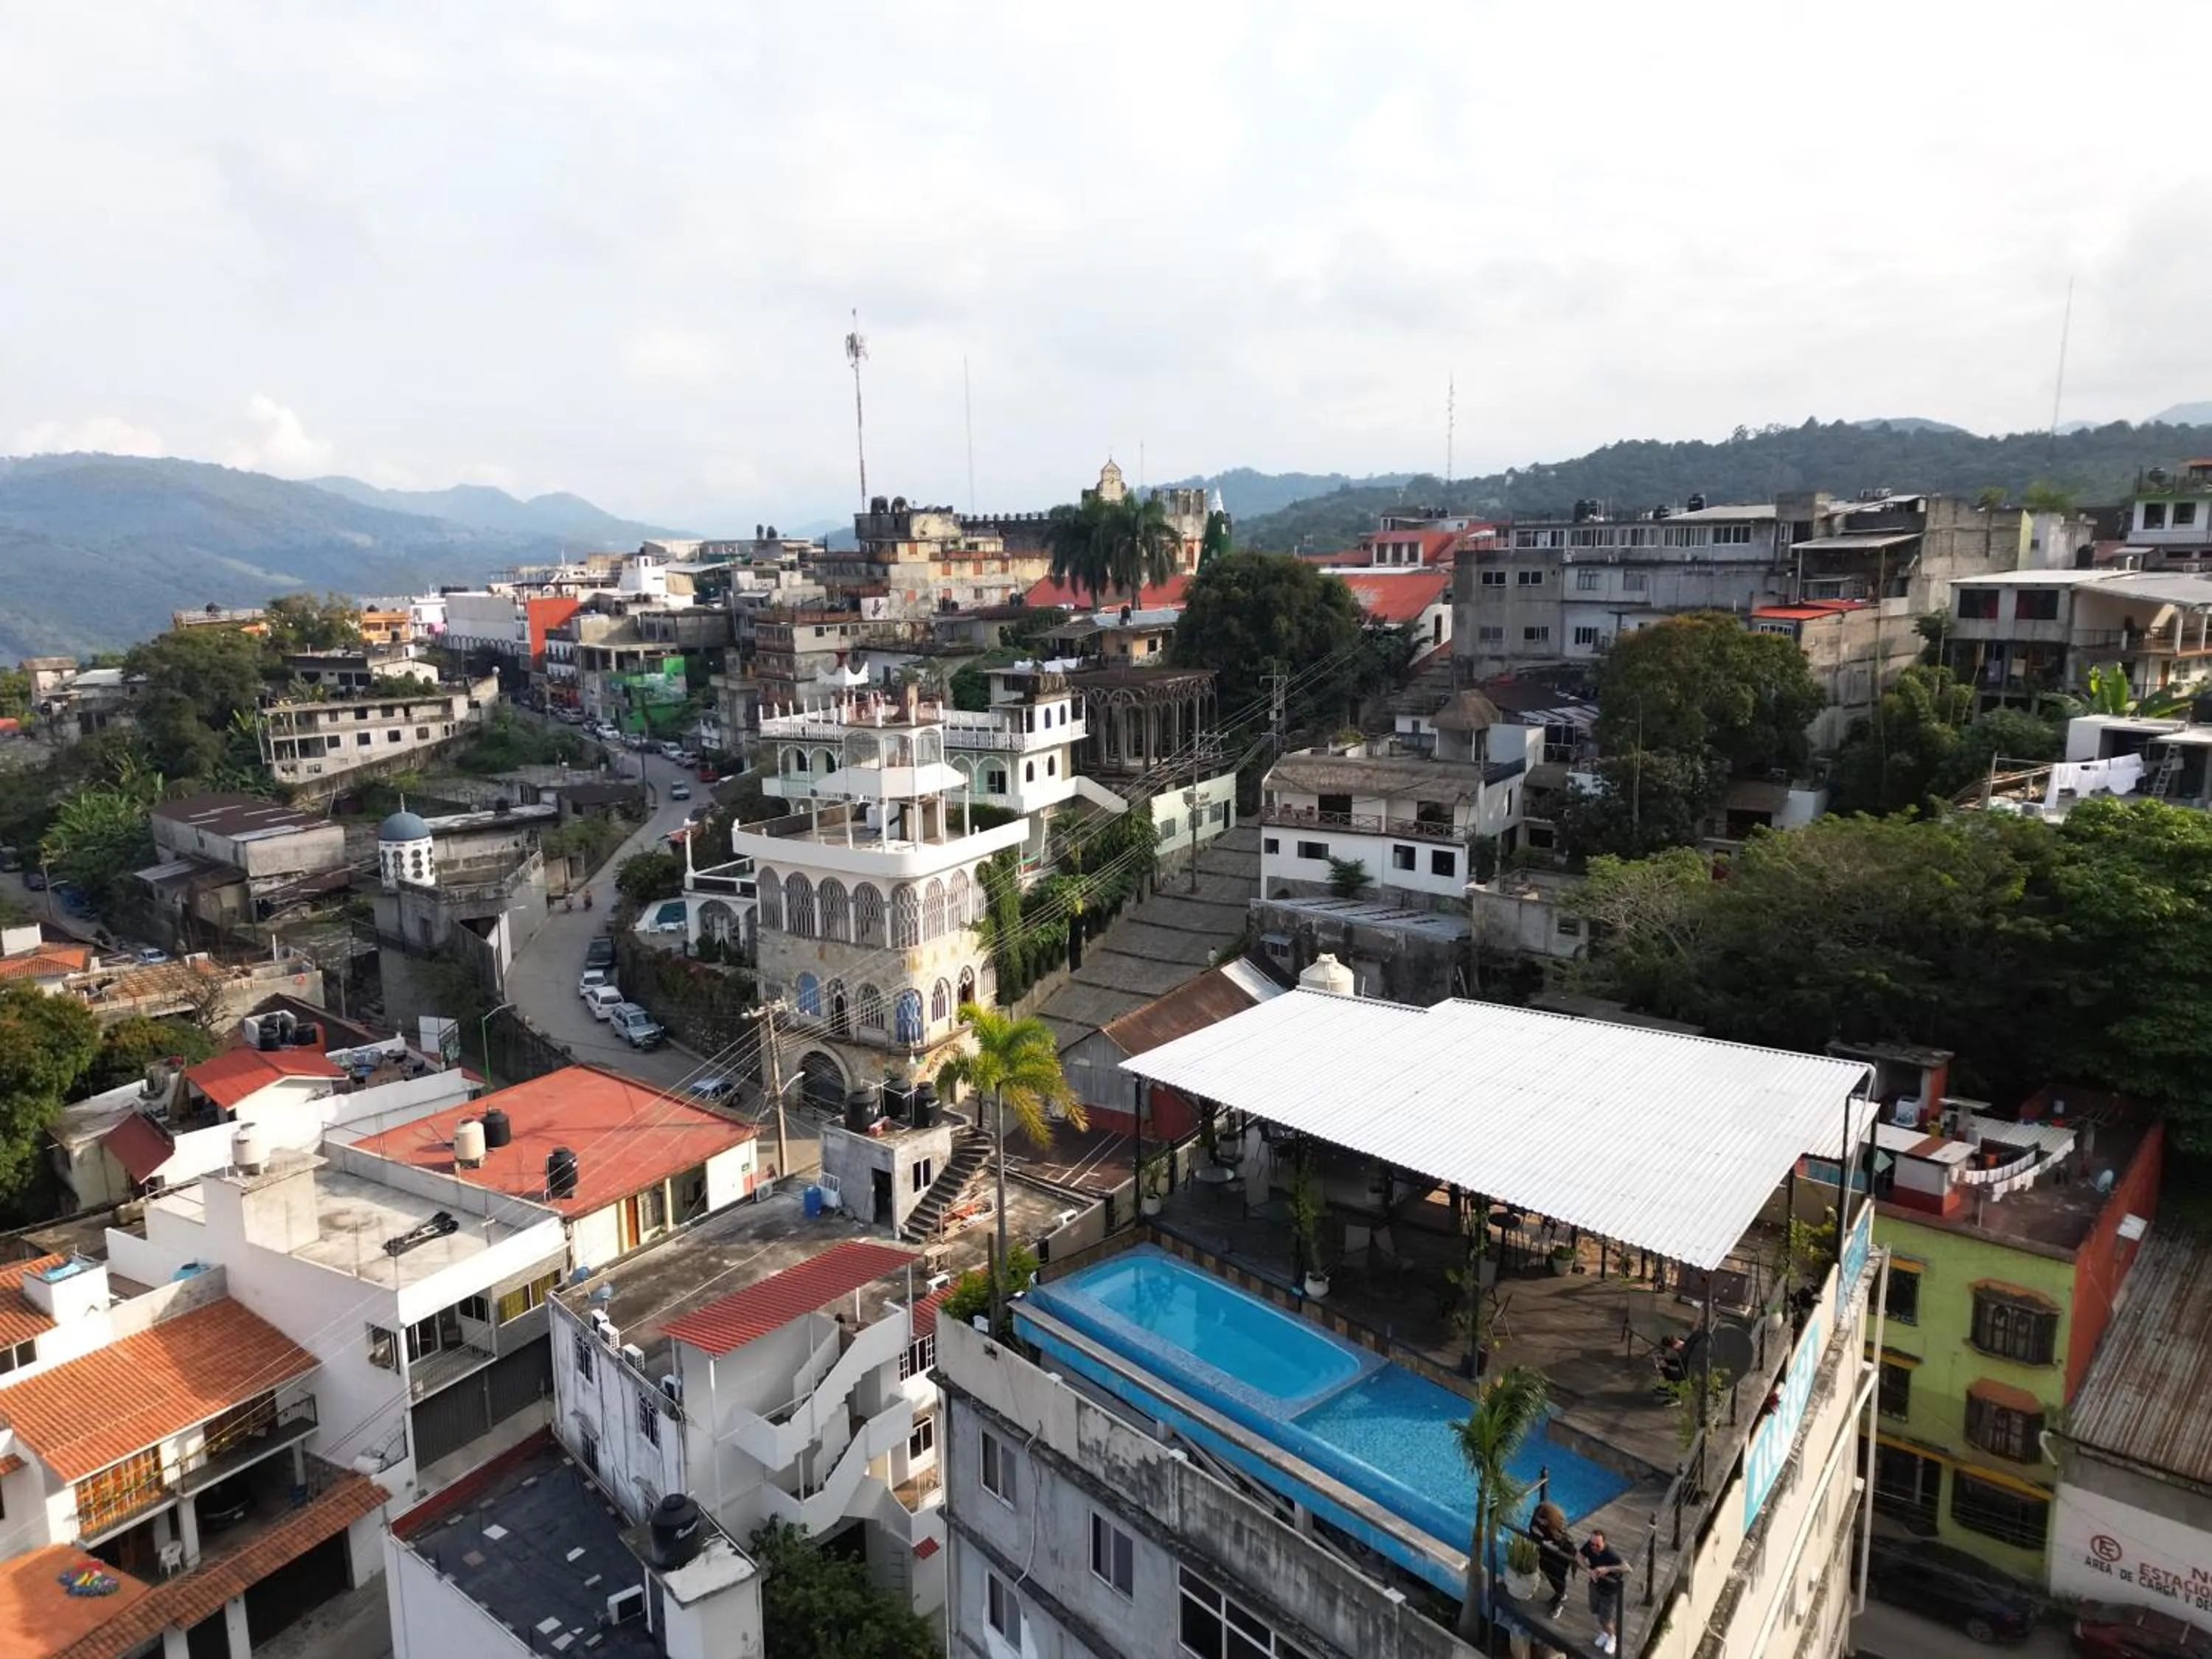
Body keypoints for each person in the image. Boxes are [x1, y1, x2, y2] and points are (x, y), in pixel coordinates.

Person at [1579, 1528, 1627, 1655]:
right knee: (1595, 1610)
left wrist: (1608, 1569)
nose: (1594, 1547)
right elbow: (1579, 1556)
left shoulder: (1610, 1554)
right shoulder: (1589, 1546)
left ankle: (1613, 1637)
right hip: (1595, 1586)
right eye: (1592, 1544)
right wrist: (1588, 1570)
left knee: (1605, 1619)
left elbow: (1626, 1568)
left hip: (1609, 1591)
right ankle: (1606, 1633)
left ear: (1604, 1543)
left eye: (1597, 1545)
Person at [1528, 1501, 1575, 1619]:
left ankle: (1559, 1600)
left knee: (1559, 1577)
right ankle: (1559, 1594)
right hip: (1546, 1553)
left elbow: (1563, 1542)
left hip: (1562, 1554)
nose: (1540, 1523)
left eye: (1543, 1521)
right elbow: (1533, 1532)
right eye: (1539, 1520)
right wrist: (1544, 1541)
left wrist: (1549, 1542)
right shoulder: (1536, 1521)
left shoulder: (1558, 1524)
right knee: (1547, 1571)